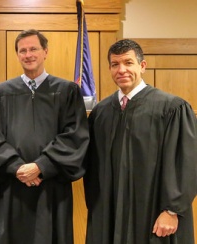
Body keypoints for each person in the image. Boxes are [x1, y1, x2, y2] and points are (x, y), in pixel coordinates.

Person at [0, 29, 89, 244]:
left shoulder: (67, 91)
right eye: (22, 50)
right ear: (17, 55)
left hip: (51, 185)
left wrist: (40, 166)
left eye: (33, 49)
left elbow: (74, 135)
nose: (28, 55)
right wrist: (17, 167)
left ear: (45, 51)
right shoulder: (0, 93)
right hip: (12, 184)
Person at [84, 39, 197, 244]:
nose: (122, 70)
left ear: (142, 66)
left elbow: (186, 163)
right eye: (115, 64)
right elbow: (91, 165)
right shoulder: (101, 112)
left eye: (128, 62)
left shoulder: (171, 108)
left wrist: (172, 210)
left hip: (154, 212)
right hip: (109, 212)